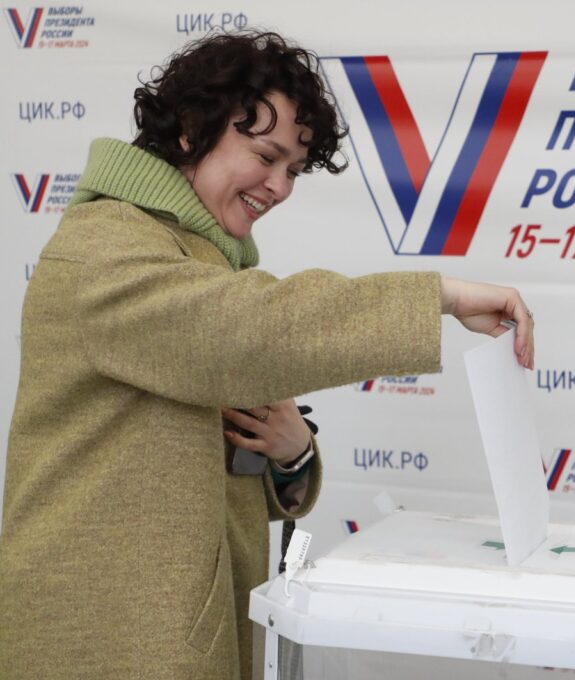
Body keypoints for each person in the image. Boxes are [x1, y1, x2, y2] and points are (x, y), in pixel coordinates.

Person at [0, 31, 534, 680]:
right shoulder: (106, 245)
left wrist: (292, 454)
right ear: (193, 130)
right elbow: (244, 333)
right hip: (107, 636)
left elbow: (207, 434)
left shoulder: (194, 256)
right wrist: (440, 297)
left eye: (293, 171)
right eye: (266, 155)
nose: (280, 186)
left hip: (184, 624)